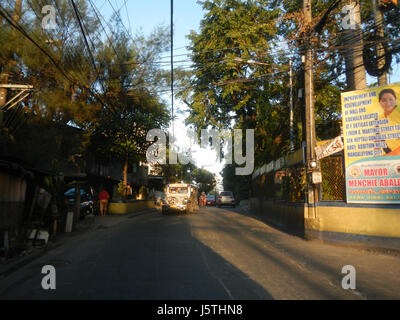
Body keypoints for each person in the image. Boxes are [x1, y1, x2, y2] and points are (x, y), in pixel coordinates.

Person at [377, 89, 400, 156]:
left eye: (390, 99)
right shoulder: (378, 119)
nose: (388, 103)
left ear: (395, 100)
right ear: (379, 102)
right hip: (384, 160)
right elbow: (376, 142)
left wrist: (389, 155)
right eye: (384, 100)